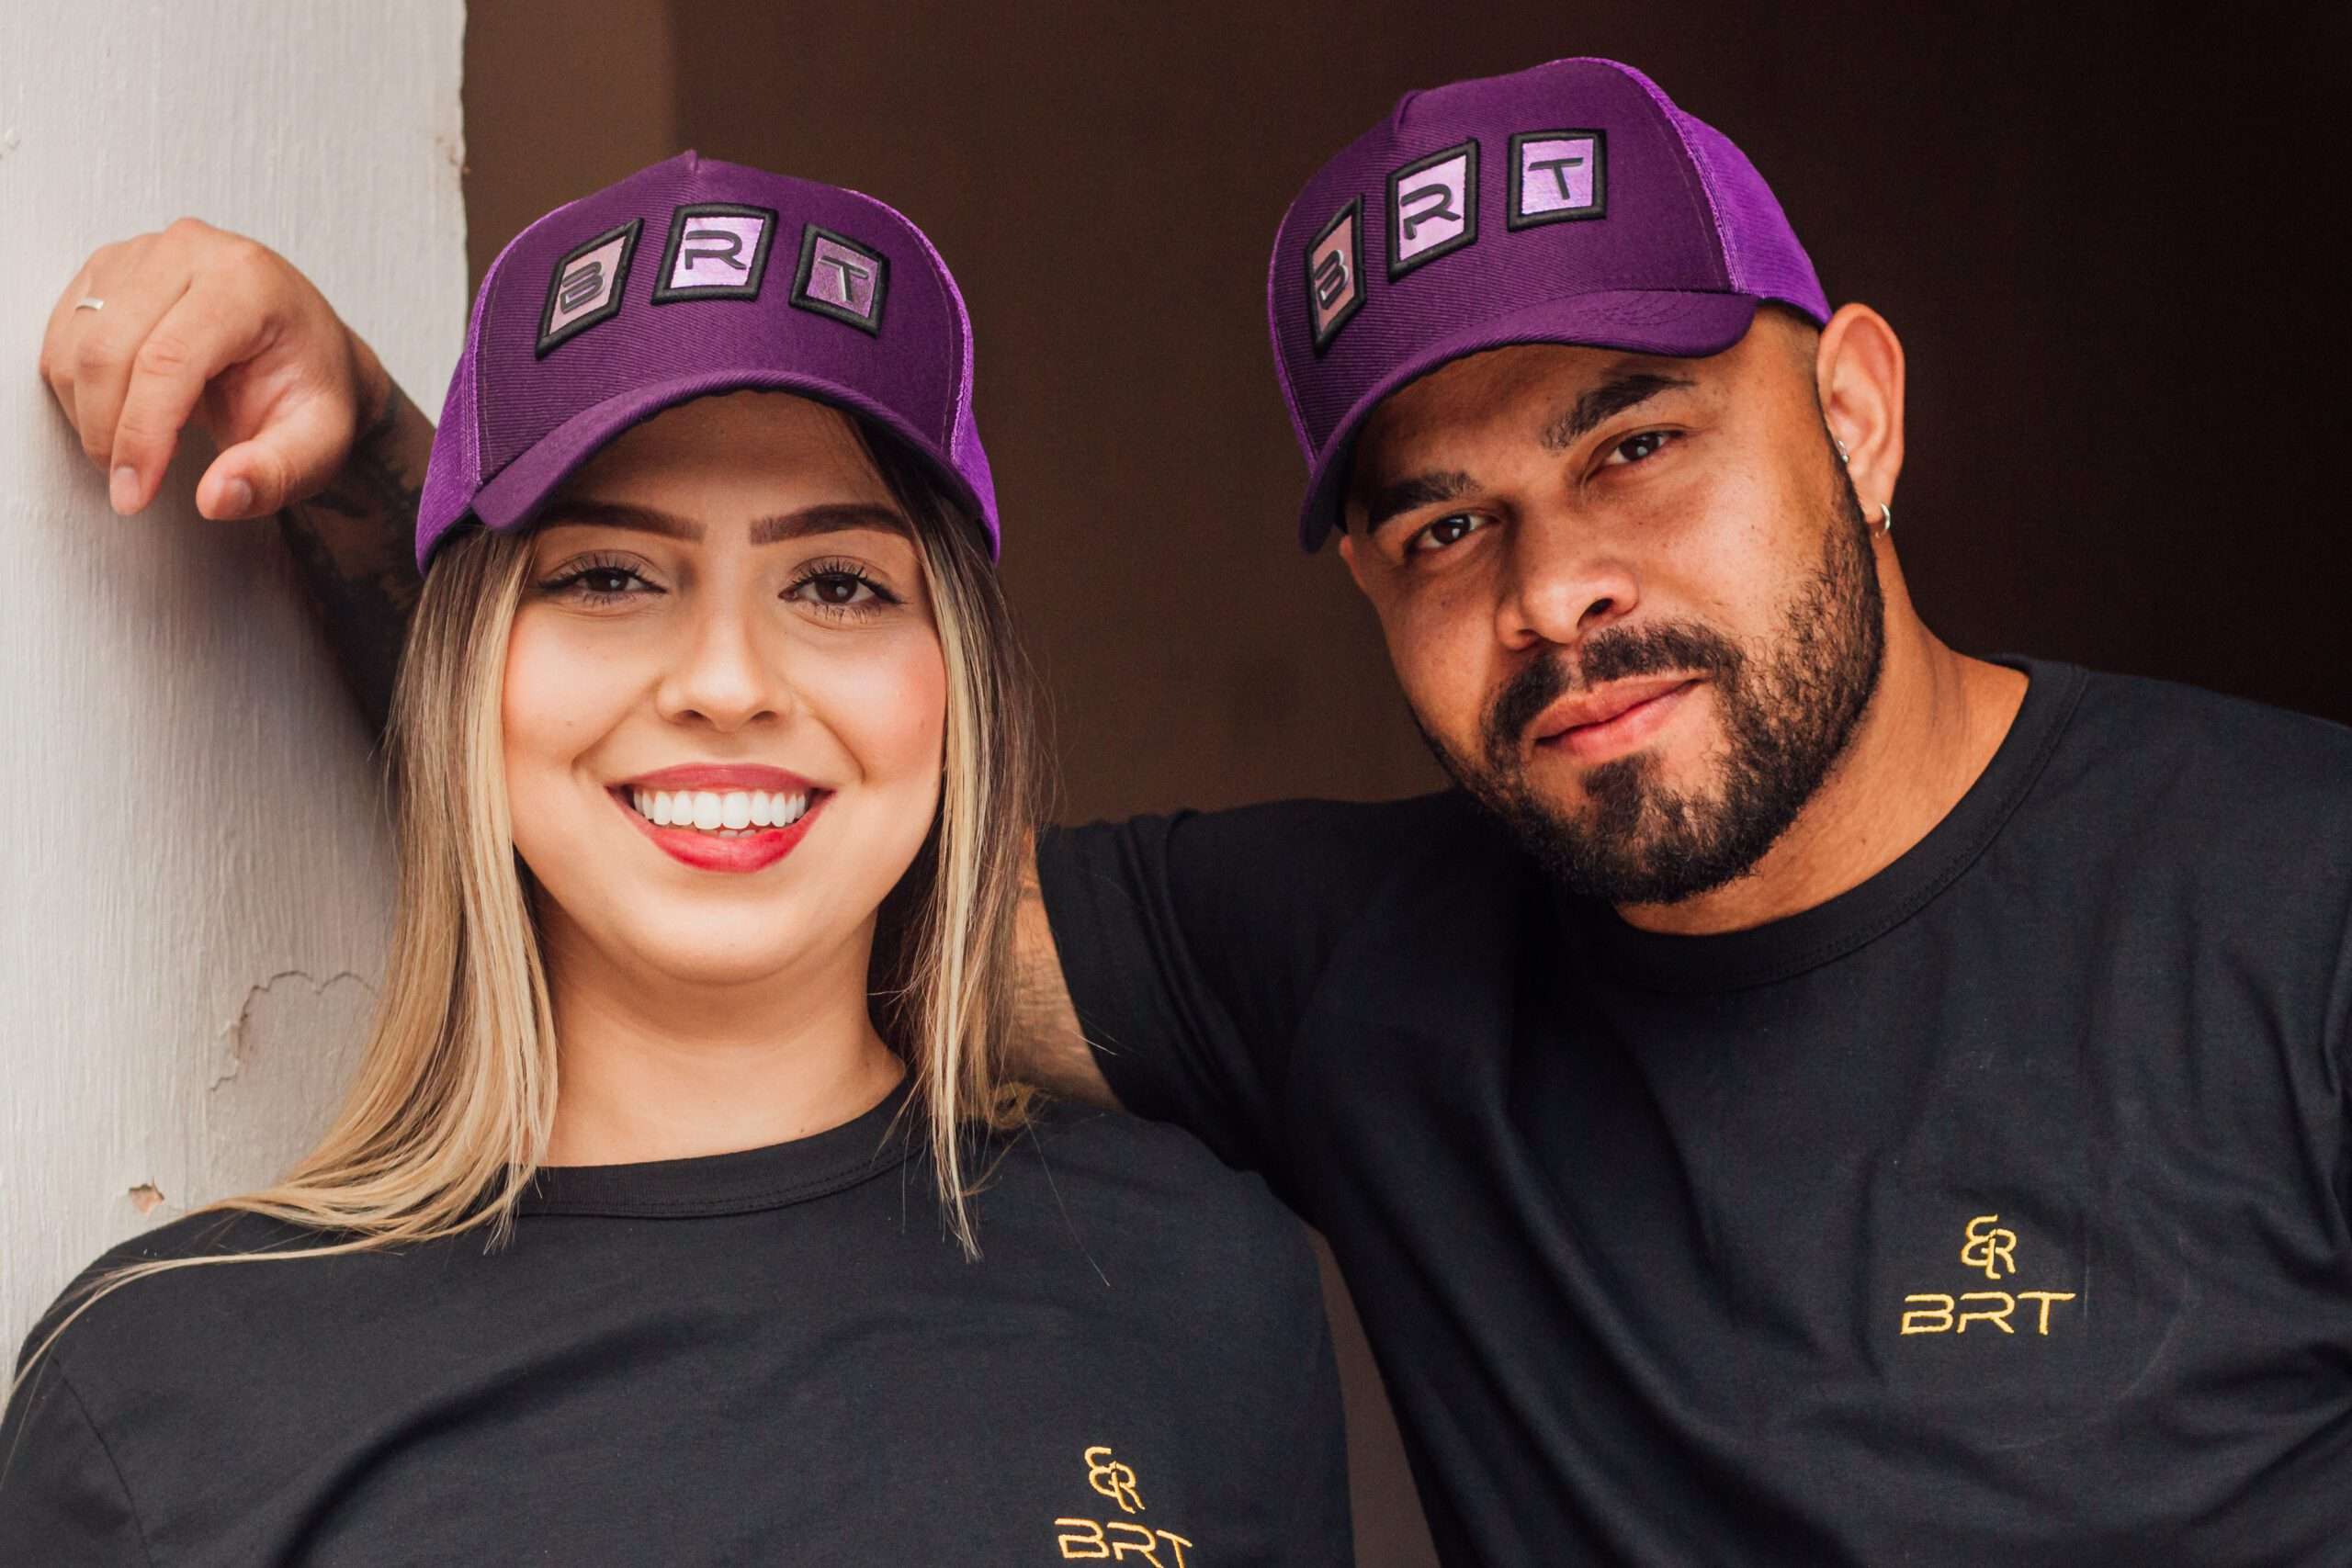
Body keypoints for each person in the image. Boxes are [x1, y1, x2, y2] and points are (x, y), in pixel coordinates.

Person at [39, 54, 2352, 1566]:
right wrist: (374, 467)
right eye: (1441, 524)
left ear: (1850, 410)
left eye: (1634, 441)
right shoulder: (1343, 969)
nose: (1560, 588)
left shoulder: (2290, 896)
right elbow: (735, 831)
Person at [4, 153, 1352, 1565]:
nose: (726, 678)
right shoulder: (164, 1389)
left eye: (837, 584)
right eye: (608, 576)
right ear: (472, 677)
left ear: (957, 688)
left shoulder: (1191, 1274)